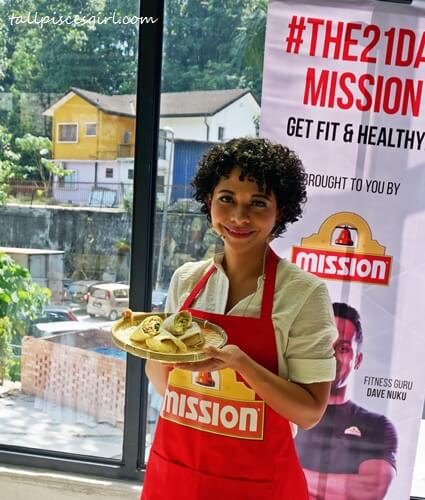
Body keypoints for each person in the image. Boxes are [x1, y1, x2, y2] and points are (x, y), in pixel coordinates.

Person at [142, 137, 338, 499]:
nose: (239, 217)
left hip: (257, 486)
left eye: (258, 203)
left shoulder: (303, 294)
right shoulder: (186, 281)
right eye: (227, 198)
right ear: (208, 201)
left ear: (281, 211)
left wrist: (240, 363)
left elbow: (309, 412)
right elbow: (164, 383)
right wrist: (153, 342)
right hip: (176, 476)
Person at [295, 302, 398, 500]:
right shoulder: (286, 405)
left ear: (358, 360)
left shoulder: (378, 426)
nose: (331, 355)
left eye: (342, 348)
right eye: (324, 344)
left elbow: (370, 490)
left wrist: (288, 474)